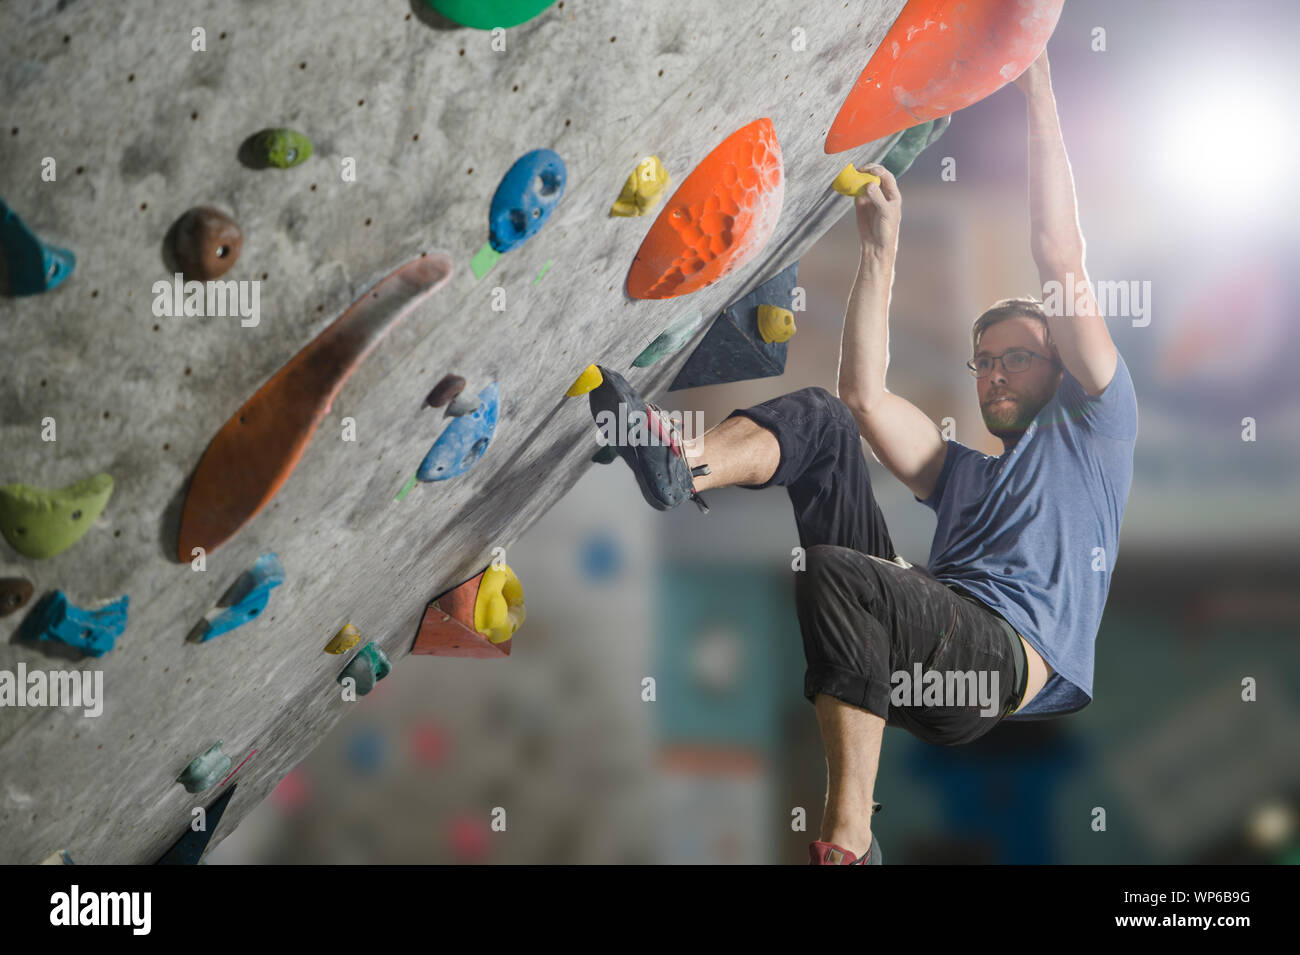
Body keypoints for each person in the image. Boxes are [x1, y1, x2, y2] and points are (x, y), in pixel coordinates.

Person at [588, 51, 1136, 865]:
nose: (994, 373)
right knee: (823, 423)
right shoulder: (969, 481)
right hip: (923, 636)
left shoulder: (1097, 422)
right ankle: (680, 465)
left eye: (1015, 357)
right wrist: (881, 249)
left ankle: (850, 839)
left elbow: (1060, 254)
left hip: (992, 666)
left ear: (1061, 362)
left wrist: (1037, 86)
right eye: (982, 361)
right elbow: (867, 398)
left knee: (841, 572)